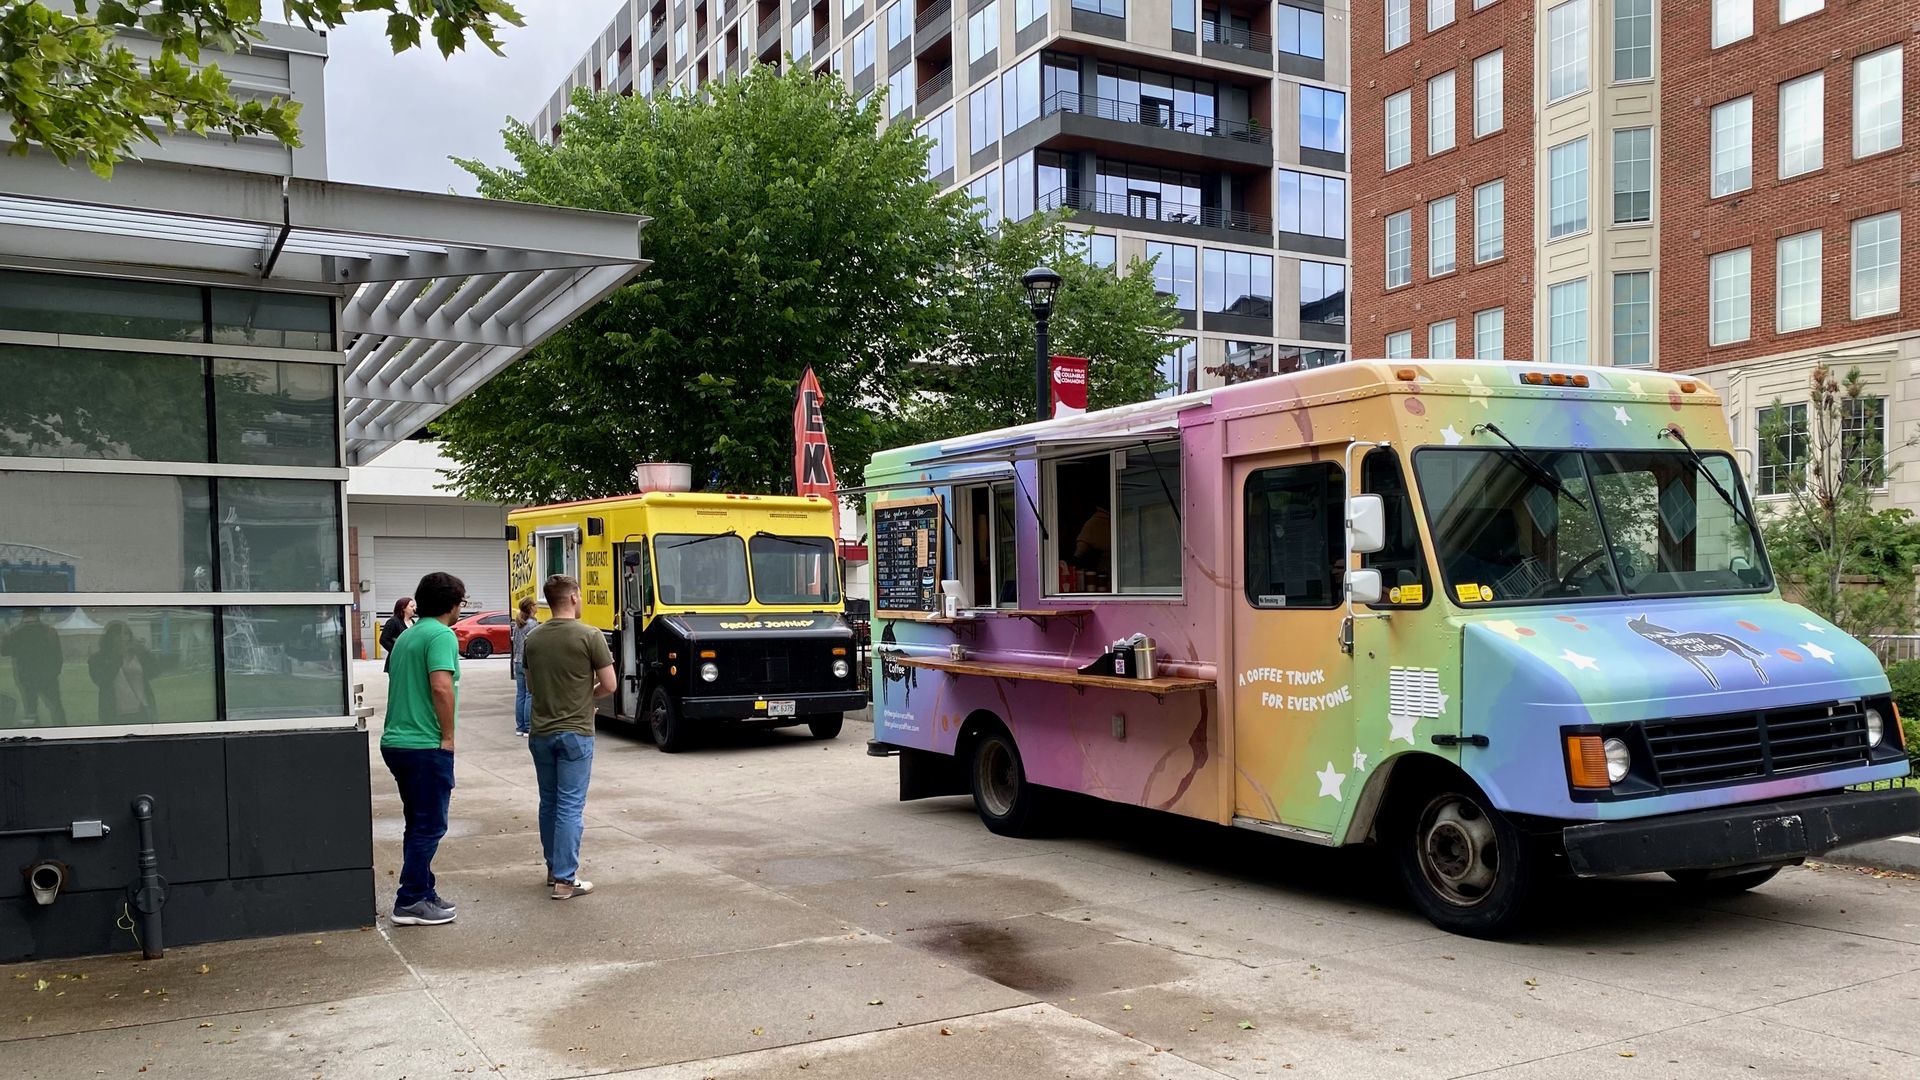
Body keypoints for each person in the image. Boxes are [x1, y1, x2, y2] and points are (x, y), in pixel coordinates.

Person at [379, 573, 466, 926]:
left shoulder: (407, 635)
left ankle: (423, 889)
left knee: (416, 823)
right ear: (452, 604)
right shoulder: (441, 635)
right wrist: (448, 737)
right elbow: (441, 687)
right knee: (431, 825)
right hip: (424, 743)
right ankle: (410, 899)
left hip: (396, 742)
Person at [522, 574, 616, 900]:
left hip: (541, 732)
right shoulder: (590, 636)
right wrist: (587, 697)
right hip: (576, 732)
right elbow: (610, 684)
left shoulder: (533, 637)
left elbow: (532, 687)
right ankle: (565, 879)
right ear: (574, 597)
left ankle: (553, 869)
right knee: (571, 806)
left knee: (549, 801)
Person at [3, 609, 66, 725]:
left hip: (27, 676)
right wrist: (55, 671)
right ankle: (64, 730)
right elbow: (58, 655)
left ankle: (35, 733)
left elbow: (4, 650)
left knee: (31, 708)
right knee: (56, 705)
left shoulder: (18, 633)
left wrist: (7, 634)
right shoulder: (49, 631)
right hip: (48, 675)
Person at [88, 621, 156, 725]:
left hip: (141, 711)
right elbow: (101, 680)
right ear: (111, 636)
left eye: (126, 633)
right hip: (113, 713)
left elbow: (154, 672)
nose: (124, 637)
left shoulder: (137, 655)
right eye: (119, 634)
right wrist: (118, 656)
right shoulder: (97, 658)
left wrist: (145, 652)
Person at [510, 597, 539, 738]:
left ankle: (520, 727)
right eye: (535, 604)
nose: (537, 606)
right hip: (528, 663)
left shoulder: (518, 624)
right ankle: (528, 727)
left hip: (517, 661)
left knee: (520, 694)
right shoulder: (533, 624)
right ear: (531, 607)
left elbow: (515, 644)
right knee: (530, 694)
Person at [379, 597, 415, 673]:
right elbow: (383, 639)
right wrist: (396, 650)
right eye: (411, 606)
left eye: (414, 606)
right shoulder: (393, 621)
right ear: (403, 608)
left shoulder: (413, 622)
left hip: (410, 660)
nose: (414, 609)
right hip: (397, 660)